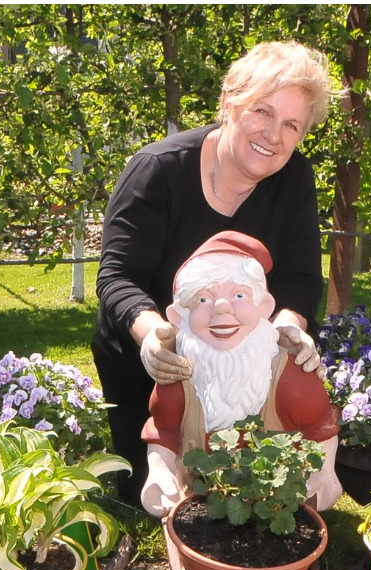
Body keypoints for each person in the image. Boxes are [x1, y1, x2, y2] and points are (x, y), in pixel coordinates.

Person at [92, 41, 337, 505]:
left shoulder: (294, 180)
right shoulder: (157, 171)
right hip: (150, 364)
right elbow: (118, 277)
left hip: (243, 366)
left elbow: (302, 278)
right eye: (262, 112)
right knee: (151, 497)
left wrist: (287, 332)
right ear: (228, 102)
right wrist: (155, 339)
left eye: (292, 125)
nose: (274, 135)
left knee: (251, 500)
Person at [139, 231, 342, 517]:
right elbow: (164, 432)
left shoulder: (288, 375)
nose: (222, 310)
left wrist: (323, 470)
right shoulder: (178, 376)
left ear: (265, 308)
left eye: (238, 295)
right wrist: (159, 469)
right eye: (203, 300)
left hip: (278, 507)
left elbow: (320, 426)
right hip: (197, 507)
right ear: (178, 317)